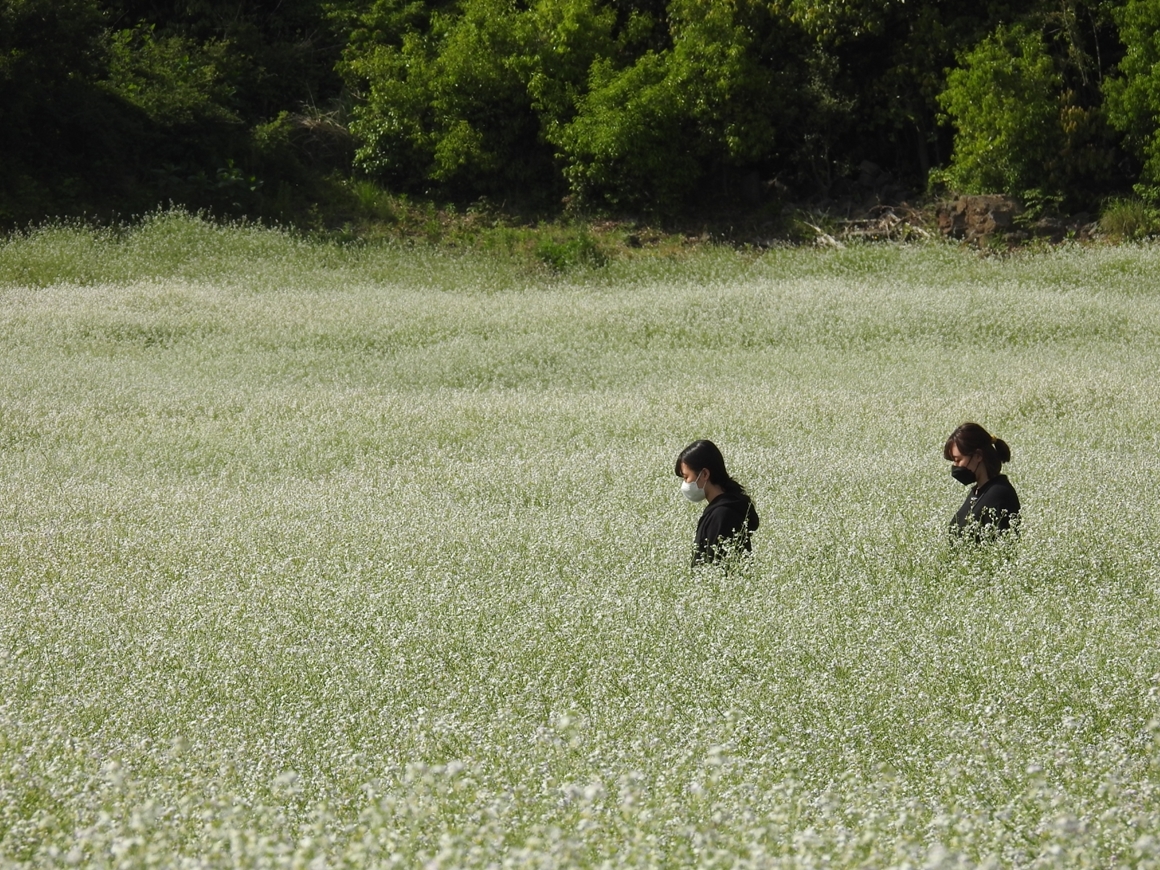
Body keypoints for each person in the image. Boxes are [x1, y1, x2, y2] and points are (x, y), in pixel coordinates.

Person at [674, 440, 760, 565]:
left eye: (686, 477)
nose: (685, 484)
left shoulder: (723, 515)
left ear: (704, 474)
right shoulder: (726, 508)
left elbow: (716, 567)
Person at [944, 421, 1021, 538]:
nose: (955, 466)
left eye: (958, 459)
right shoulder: (977, 492)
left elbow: (1003, 546)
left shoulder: (999, 495)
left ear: (978, 456)